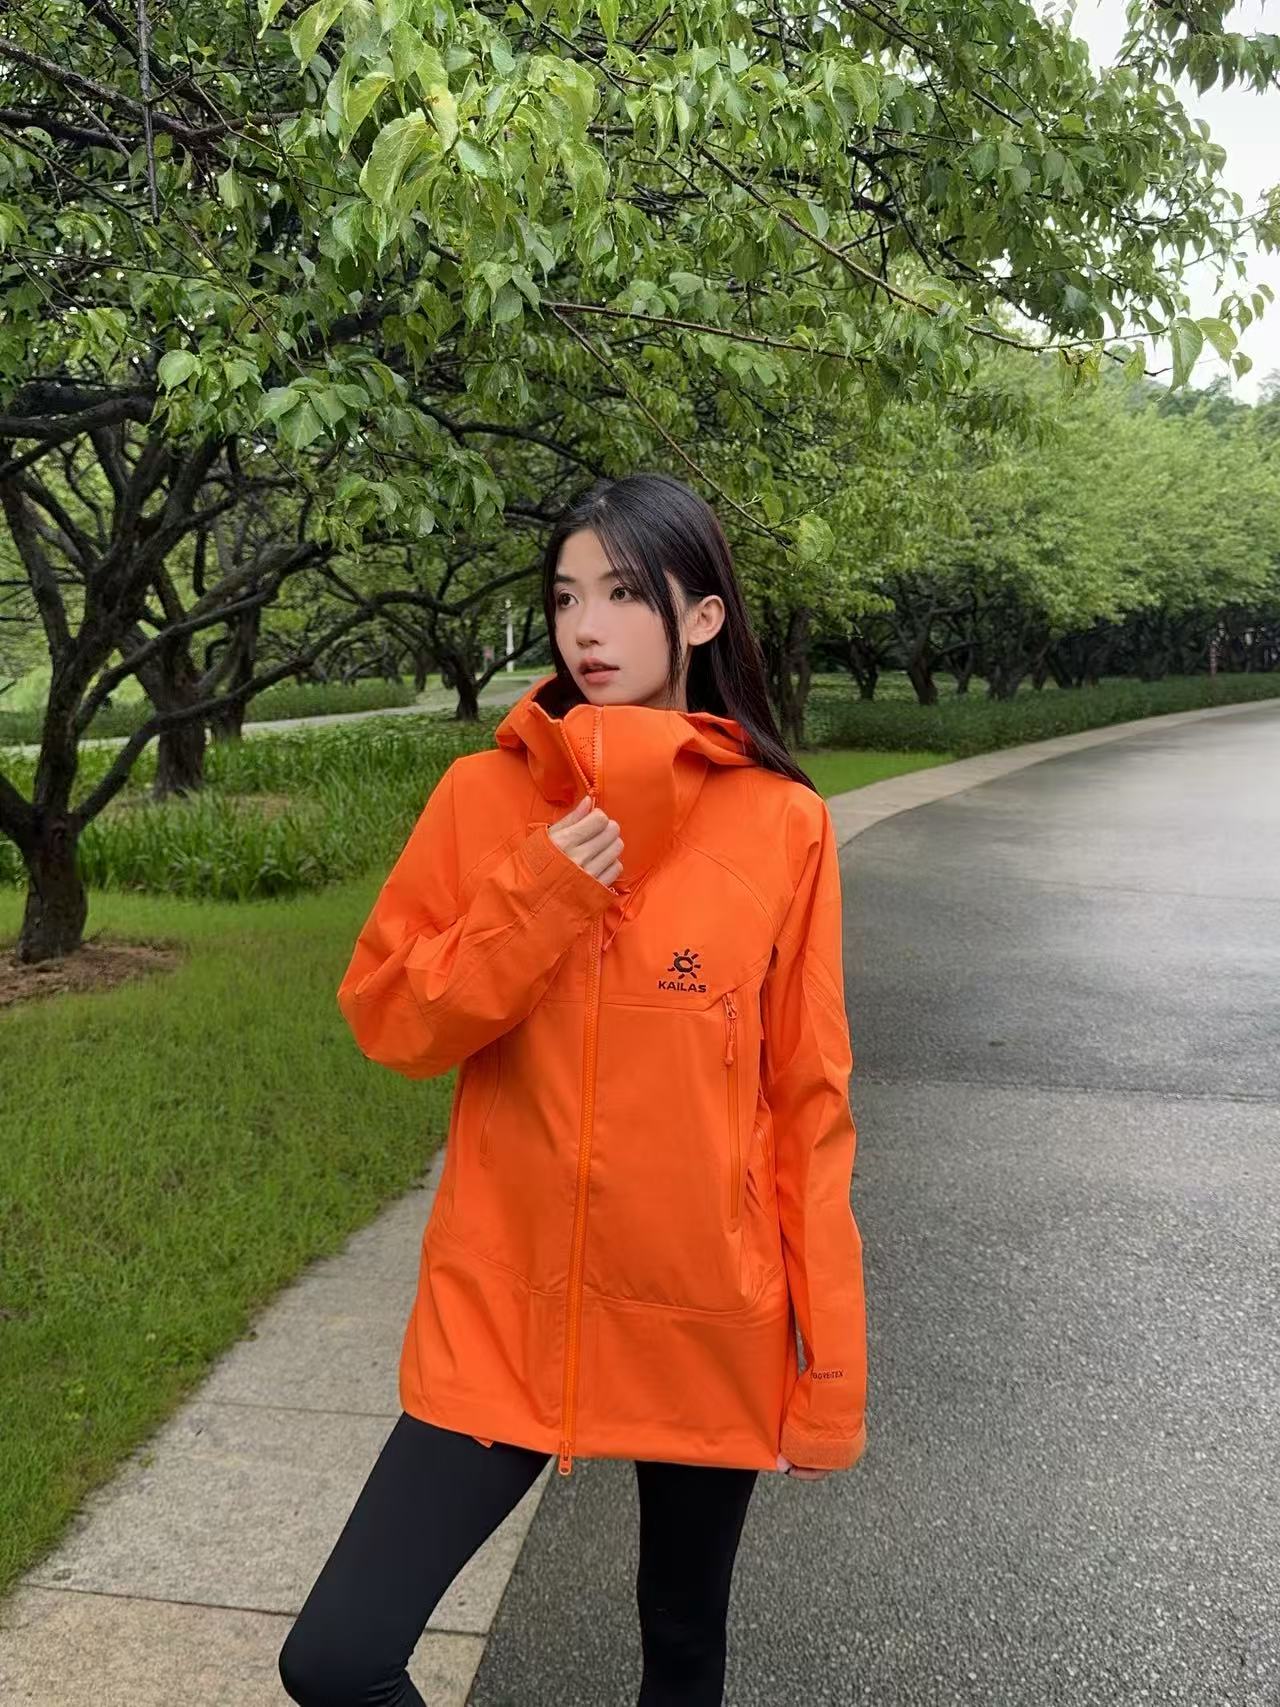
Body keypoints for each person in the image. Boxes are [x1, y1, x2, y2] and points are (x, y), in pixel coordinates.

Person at [278, 471, 868, 1707]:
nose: (584, 629)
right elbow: (393, 1022)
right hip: (503, 1308)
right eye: (563, 598)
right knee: (337, 1659)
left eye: (621, 594)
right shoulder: (480, 799)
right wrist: (539, 893)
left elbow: (807, 1107)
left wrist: (828, 1373)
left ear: (700, 616)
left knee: (682, 1651)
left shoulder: (781, 825)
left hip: (705, 1311)